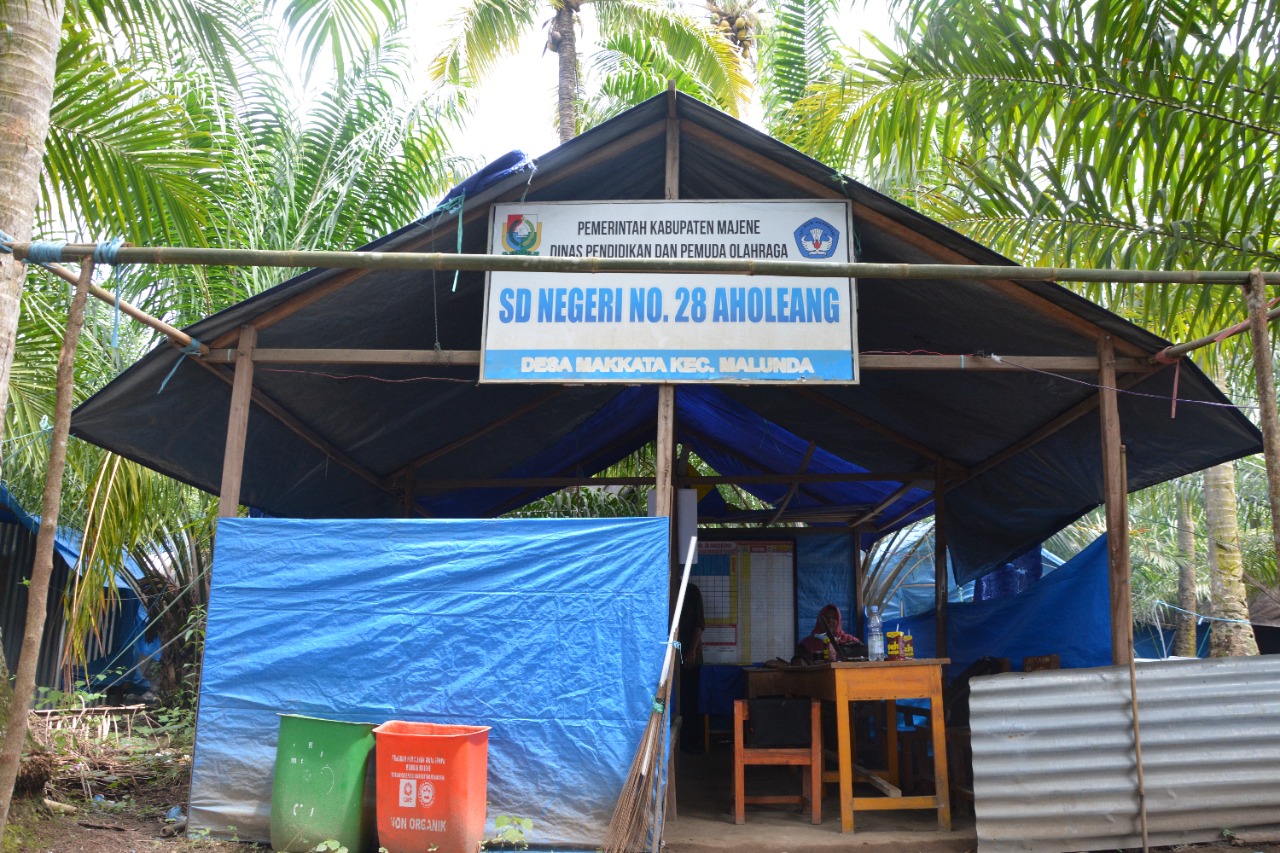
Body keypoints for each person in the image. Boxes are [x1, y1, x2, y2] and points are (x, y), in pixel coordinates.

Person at [677, 582, 705, 753]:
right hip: (671, 658)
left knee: (689, 702)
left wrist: (691, 650)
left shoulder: (692, 590)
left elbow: (699, 624)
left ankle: (690, 746)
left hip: (690, 656)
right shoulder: (664, 588)